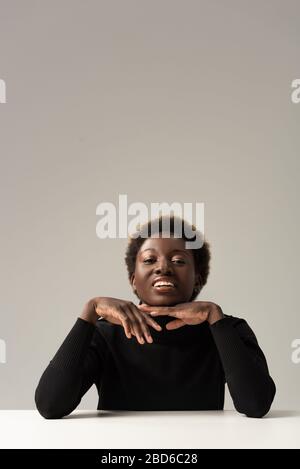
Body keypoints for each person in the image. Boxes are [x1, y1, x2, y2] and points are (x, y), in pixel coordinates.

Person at [35, 215, 276, 419]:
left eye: (179, 260)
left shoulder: (227, 329)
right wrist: (90, 311)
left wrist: (215, 317)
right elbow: (50, 404)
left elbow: (255, 404)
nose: (163, 267)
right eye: (149, 260)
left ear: (198, 279)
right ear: (133, 280)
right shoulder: (105, 333)